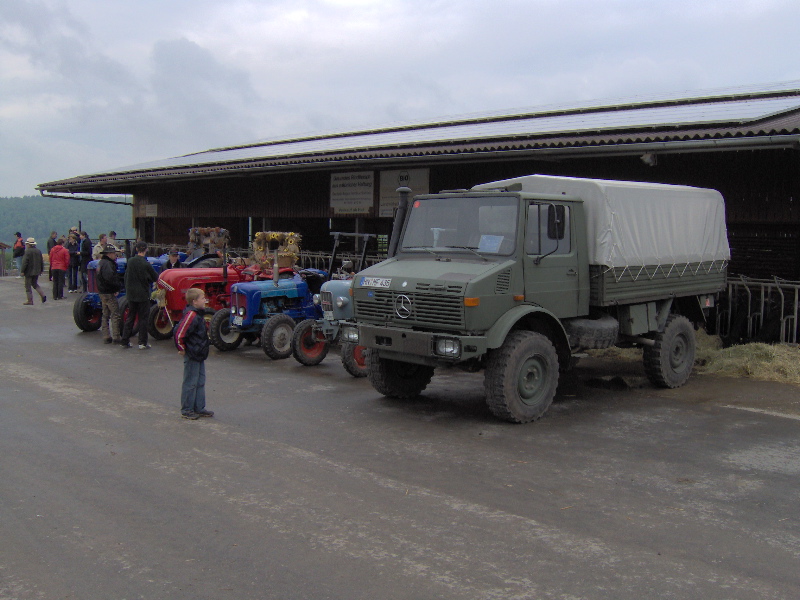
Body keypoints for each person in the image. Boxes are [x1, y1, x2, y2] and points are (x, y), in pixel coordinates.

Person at [174, 288, 214, 419]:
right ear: (194, 301)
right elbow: (180, 333)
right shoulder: (191, 315)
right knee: (190, 382)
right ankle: (187, 409)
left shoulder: (199, 314)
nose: (205, 300)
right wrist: (181, 348)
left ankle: (199, 407)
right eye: (202, 298)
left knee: (200, 381)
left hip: (199, 353)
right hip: (193, 353)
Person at [120, 241, 158, 349]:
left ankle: (125, 340)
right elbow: (155, 277)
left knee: (130, 317)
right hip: (143, 295)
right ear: (146, 249)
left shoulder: (131, 261)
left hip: (131, 295)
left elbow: (126, 277)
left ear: (136, 249)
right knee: (143, 319)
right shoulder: (146, 264)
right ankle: (142, 342)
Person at [96, 245, 122, 344]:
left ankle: (106, 336)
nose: (115, 255)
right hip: (109, 292)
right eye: (114, 253)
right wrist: (116, 288)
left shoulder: (100, 263)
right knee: (115, 314)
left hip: (102, 292)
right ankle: (116, 336)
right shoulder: (108, 264)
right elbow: (110, 278)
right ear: (109, 254)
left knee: (105, 314)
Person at [21, 237, 46, 305]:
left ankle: (30, 300)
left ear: (28, 244)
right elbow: (41, 261)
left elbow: (25, 262)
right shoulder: (38, 251)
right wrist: (41, 270)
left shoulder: (27, 251)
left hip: (29, 272)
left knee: (28, 286)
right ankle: (42, 295)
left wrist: (22, 271)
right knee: (35, 284)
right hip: (37, 271)